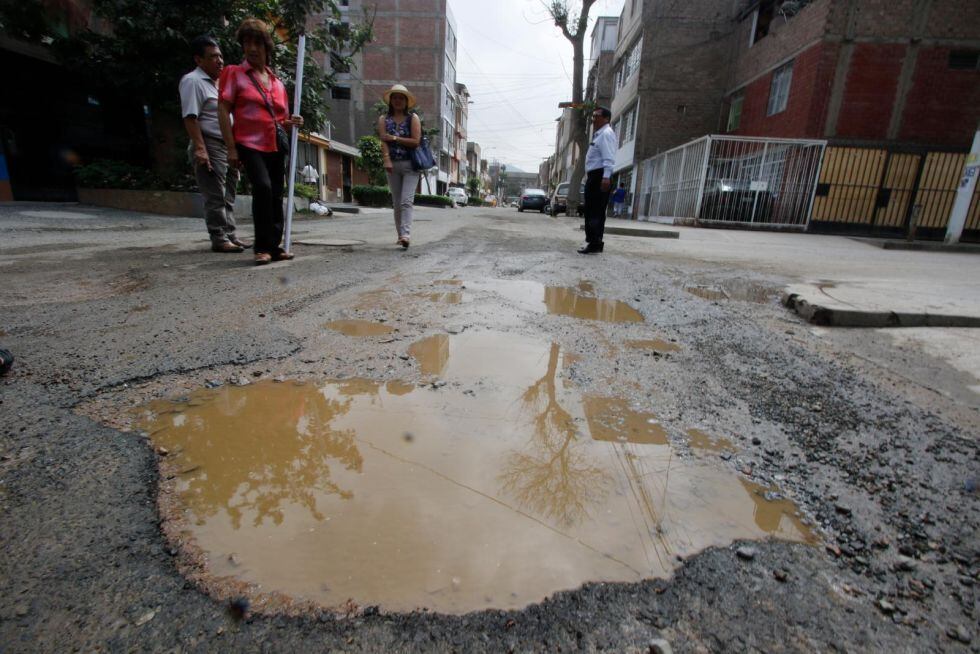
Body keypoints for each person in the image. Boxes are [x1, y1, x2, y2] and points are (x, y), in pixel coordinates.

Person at [217, 18, 304, 265]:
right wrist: (231, 147)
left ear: (266, 47)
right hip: (248, 143)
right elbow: (223, 110)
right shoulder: (234, 74)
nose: (252, 48)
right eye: (246, 43)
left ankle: (275, 246)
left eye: (257, 43)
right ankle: (261, 246)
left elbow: (281, 119)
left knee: (276, 193)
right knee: (263, 189)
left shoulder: (277, 83)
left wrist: (293, 122)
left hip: (275, 144)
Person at [179, 35, 249, 253]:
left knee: (228, 194)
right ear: (199, 60)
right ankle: (218, 237)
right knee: (215, 195)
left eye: (220, 56)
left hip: (226, 145)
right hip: (209, 143)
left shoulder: (221, 84)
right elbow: (190, 117)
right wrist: (200, 148)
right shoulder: (193, 81)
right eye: (213, 57)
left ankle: (230, 234)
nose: (219, 61)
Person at [377, 84, 421, 249]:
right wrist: (386, 159)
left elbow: (416, 141)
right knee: (396, 202)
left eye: (401, 98)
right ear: (390, 100)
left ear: (406, 101)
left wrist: (394, 138)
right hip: (392, 164)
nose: (397, 101)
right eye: (395, 97)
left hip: (411, 165)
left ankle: (406, 234)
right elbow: (383, 140)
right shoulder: (384, 119)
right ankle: (400, 235)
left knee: (406, 201)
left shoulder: (413, 118)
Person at [579, 107, 617, 254]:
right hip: (595, 176)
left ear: (606, 118)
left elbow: (608, 158)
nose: (594, 119)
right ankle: (595, 242)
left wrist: (606, 177)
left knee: (594, 211)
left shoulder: (606, 134)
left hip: (600, 177)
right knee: (593, 210)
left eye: (597, 116)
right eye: (593, 116)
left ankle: (594, 242)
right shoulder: (599, 134)